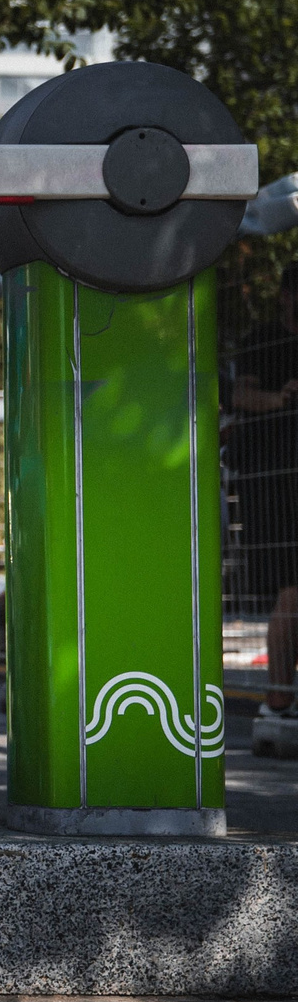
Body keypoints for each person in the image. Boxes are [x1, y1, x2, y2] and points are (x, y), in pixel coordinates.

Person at [231, 264, 298, 709]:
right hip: (276, 489)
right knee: (292, 591)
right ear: (284, 297)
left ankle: (281, 696)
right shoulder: (263, 342)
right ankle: (278, 697)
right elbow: (238, 395)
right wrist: (279, 399)